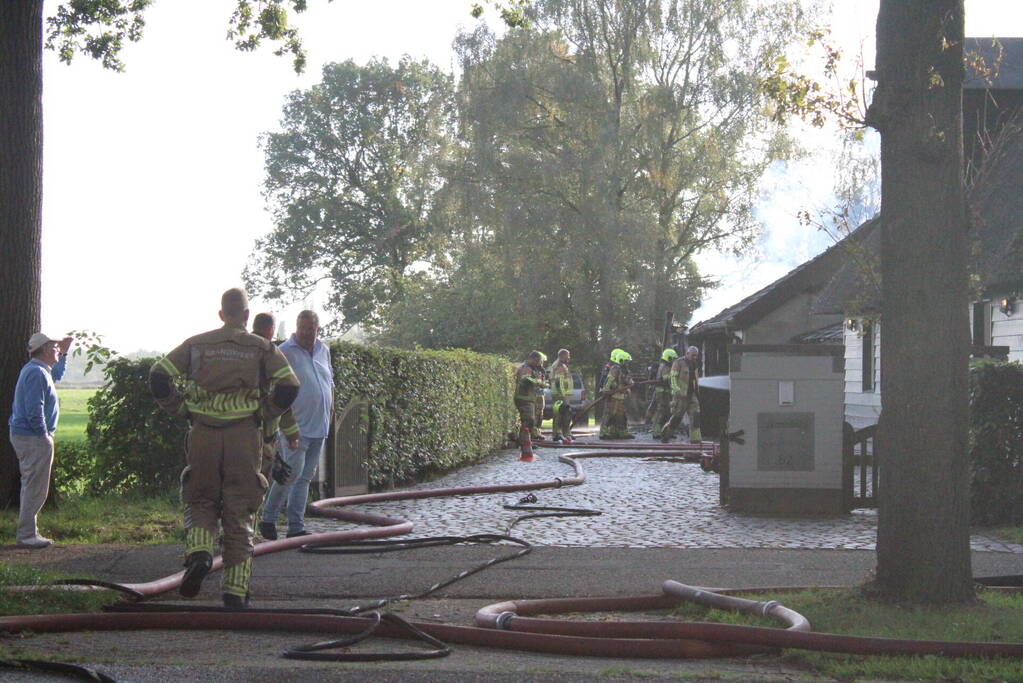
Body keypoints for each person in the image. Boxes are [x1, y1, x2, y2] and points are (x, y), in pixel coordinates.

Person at [149, 288, 299, 608]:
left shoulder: (196, 344)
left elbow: (159, 375)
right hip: (244, 437)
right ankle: (234, 590)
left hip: (202, 433)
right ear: (246, 315)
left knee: (200, 498)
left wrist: (181, 408)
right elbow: (289, 385)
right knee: (240, 509)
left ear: (221, 314)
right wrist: (264, 413)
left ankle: (200, 553)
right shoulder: (262, 348)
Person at [259, 310, 334, 540]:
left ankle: (295, 525)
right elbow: (275, 387)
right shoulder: (285, 352)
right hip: (296, 425)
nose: (306, 333)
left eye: (310, 329)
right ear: (296, 327)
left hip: (319, 424)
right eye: (302, 329)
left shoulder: (324, 350)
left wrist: (330, 412)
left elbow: (329, 382)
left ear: (317, 329)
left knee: (305, 478)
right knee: (289, 474)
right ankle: (268, 519)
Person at [8, 332, 73, 548]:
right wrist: (43, 435)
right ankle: (27, 535)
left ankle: (29, 532)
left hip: (29, 435)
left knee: (34, 486)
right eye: (54, 347)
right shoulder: (36, 373)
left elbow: (56, 374)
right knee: (35, 487)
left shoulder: (38, 370)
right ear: (45, 350)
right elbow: (34, 408)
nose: (57, 350)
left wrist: (63, 352)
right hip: (33, 437)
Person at [251, 313, 299, 487]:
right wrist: (293, 434)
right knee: (255, 483)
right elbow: (285, 393)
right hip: (263, 433)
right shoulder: (269, 353)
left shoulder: (241, 350)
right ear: (270, 330)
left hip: (233, 430)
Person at [663, 345, 702, 443]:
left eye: (696, 356)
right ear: (687, 353)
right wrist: (677, 391)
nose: (695, 357)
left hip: (692, 394)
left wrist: (697, 391)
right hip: (680, 396)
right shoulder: (678, 363)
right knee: (677, 417)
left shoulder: (695, 364)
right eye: (693, 355)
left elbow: (696, 379)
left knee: (695, 416)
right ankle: (666, 434)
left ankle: (695, 439)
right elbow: (673, 378)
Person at [513, 351, 547, 461]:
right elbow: (527, 379)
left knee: (530, 421)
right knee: (528, 420)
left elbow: (537, 381)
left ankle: (525, 442)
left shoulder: (532, 368)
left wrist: (541, 382)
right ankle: (523, 443)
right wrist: (538, 380)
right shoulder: (526, 368)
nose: (540, 364)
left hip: (529, 398)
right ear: (533, 359)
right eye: (539, 361)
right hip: (524, 398)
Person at [599, 349, 634, 440]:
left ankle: (622, 433)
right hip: (613, 396)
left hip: (620, 396)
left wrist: (628, 388)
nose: (627, 363)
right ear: (621, 360)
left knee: (621, 416)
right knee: (609, 415)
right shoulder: (614, 369)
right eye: (626, 361)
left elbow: (627, 381)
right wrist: (607, 392)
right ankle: (603, 433)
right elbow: (608, 382)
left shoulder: (624, 370)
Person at [651, 348, 678, 441]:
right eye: (672, 359)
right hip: (662, 392)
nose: (674, 361)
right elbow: (665, 378)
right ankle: (656, 432)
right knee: (661, 412)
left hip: (666, 391)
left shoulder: (667, 365)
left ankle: (666, 432)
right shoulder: (664, 366)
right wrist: (674, 375)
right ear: (668, 358)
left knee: (668, 412)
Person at [549, 348, 574, 444]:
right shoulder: (559, 366)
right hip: (560, 395)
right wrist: (563, 395)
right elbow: (559, 382)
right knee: (559, 414)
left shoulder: (562, 365)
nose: (569, 357)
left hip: (563, 394)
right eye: (568, 355)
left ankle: (565, 433)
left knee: (565, 414)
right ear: (562, 356)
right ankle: (557, 434)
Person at [532, 351, 548, 441]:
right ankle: (534, 433)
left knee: (540, 414)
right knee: (535, 413)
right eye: (540, 361)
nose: (541, 363)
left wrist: (544, 383)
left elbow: (542, 381)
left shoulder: (541, 370)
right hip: (534, 394)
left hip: (541, 394)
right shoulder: (531, 370)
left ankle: (538, 431)